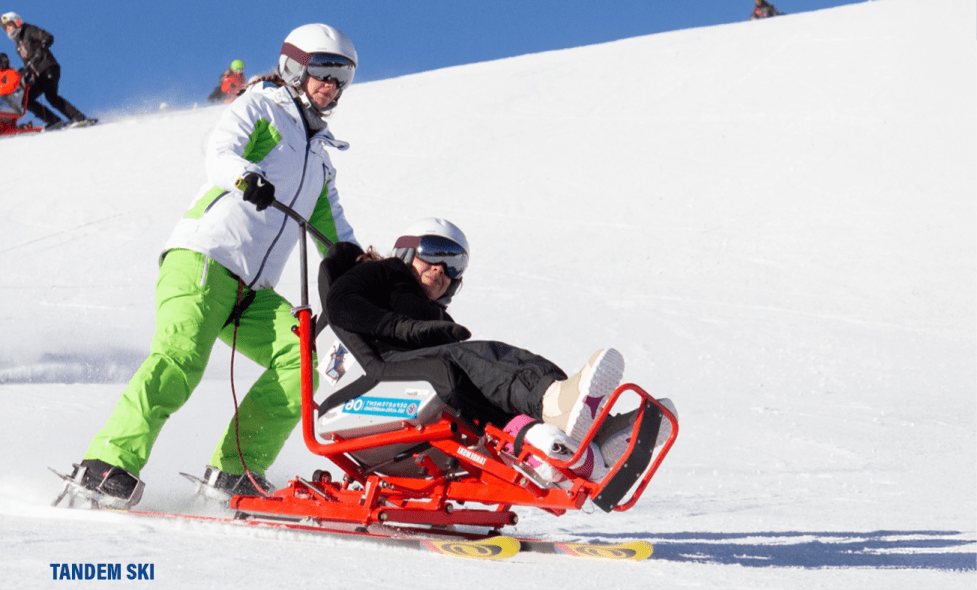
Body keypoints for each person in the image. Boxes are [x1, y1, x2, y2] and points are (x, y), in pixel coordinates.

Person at [60, 23, 362, 509]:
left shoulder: (320, 159)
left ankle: (235, 470)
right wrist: (247, 177)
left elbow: (336, 236)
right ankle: (105, 464)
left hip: (252, 291)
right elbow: (219, 152)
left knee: (301, 360)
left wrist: (366, 270)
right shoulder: (262, 106)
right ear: (293, 68)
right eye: (322, 70)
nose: (331, 84)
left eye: (341, 75)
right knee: (179, 361)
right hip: (204, 258)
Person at [323, 218, 635, 467]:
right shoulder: (383, 272)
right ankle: (555, 405)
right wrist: (407, 329)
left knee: (505, 362)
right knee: (481, 357)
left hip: (421, 371)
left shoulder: (436, 315)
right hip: (385, 367)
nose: (440, 268)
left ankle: (596, 434)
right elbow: (340, 302)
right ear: (407, 250)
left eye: (454, 264)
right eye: (433, 252)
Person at [1, 12, 91, 129]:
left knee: (51, 97)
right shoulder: (18, 46)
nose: (8, 29)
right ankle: (53, 121)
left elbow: (48, 37)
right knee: (26, 100)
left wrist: (41, 47)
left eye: (9, 25)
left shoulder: (28, 30)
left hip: (47, 67)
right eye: (5, 27)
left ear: (17, 22)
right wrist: (24, 75)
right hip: (37, 75)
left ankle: (79, 118)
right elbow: (28, 64)